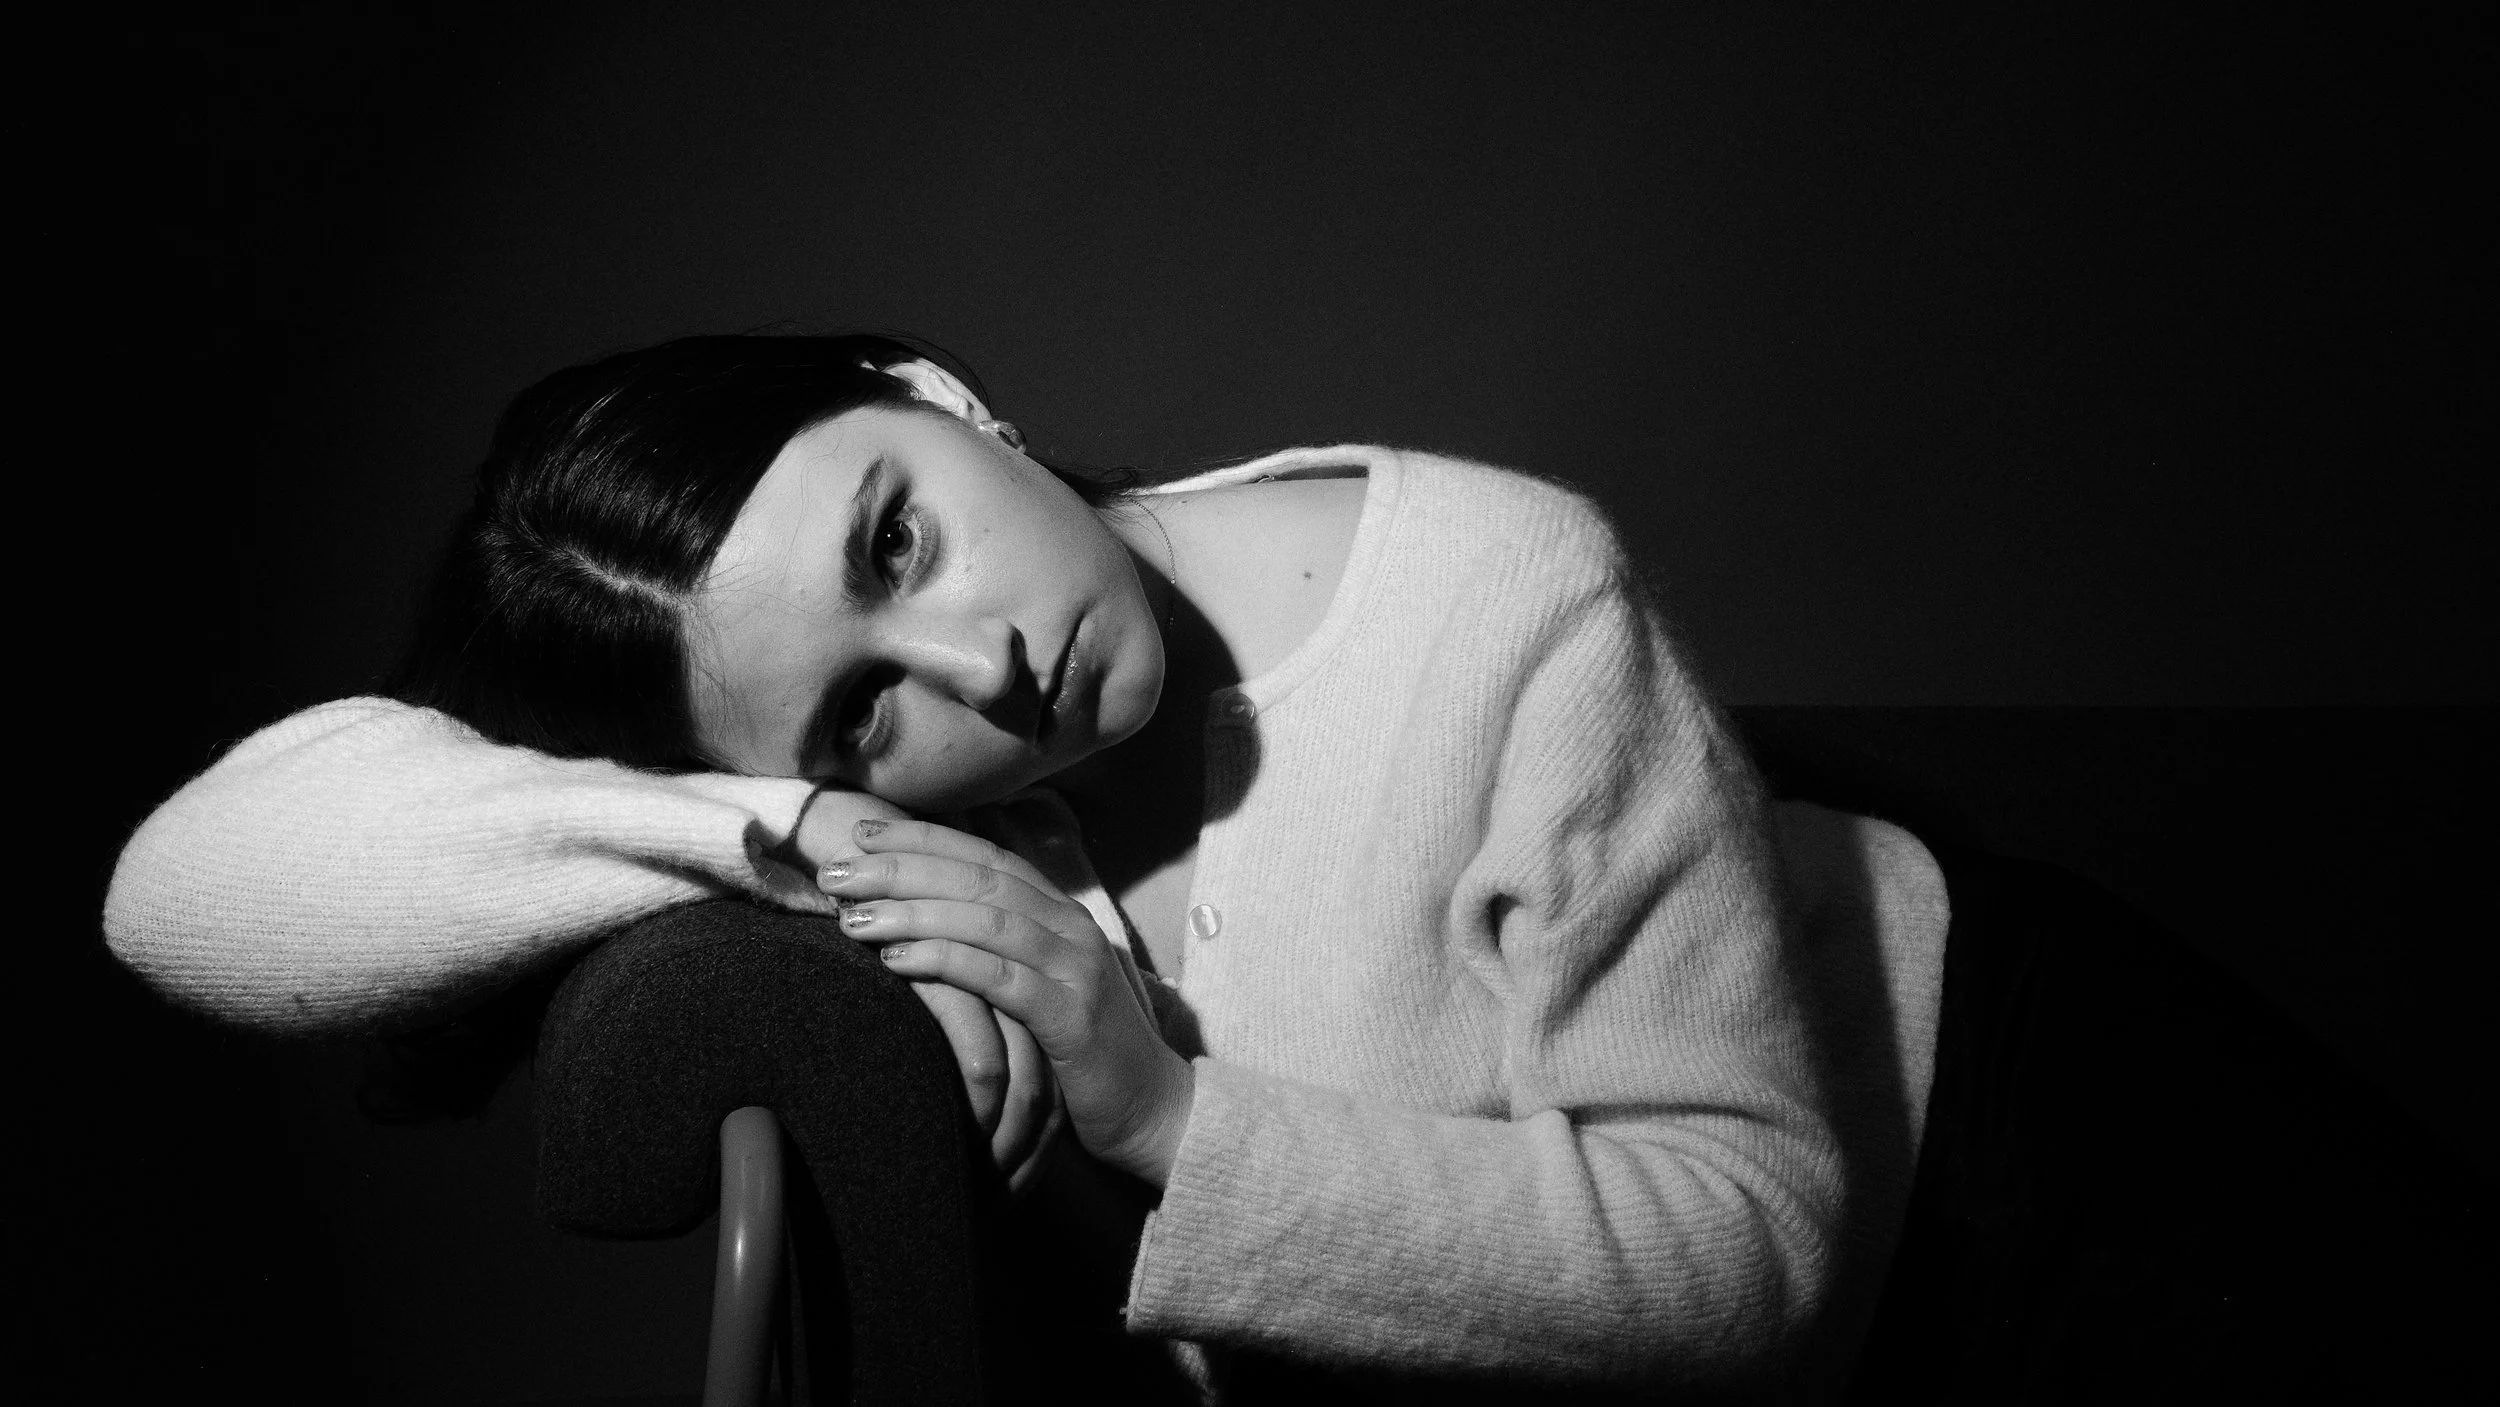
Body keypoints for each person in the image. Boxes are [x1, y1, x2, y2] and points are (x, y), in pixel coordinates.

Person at [103, 334, 1949, 1399]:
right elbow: (179, 893)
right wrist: (780, 829)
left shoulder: (1506, 596)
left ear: (937, 396)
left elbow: (1756, 1242)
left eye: (895, 539)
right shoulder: (906, 833)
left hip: (1981, 1181)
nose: (979, 667)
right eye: (853, 719)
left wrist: (1164, 1113)